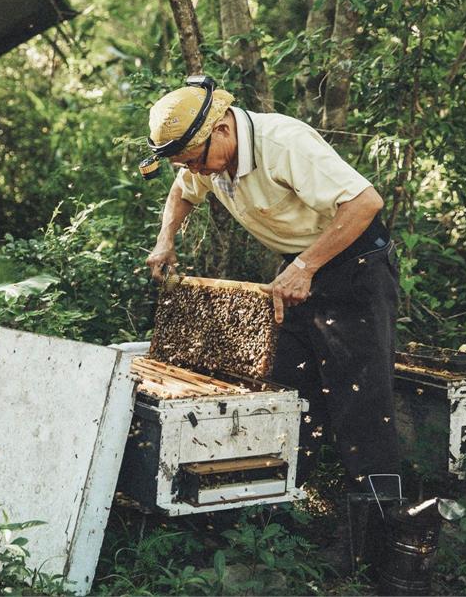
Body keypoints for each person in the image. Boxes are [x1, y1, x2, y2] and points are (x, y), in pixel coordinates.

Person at [144, 76, 401, 492]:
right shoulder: (206, 156)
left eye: (195, 161)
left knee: (362, 397)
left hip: (356, 265)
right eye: (186, 164)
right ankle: (290, 503)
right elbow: (182, 191)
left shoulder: (283, 142)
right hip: (300, 268)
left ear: (222, 130)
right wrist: (165, 240)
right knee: (287, 383)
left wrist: (305, 266)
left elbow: (365, 203)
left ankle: (383, 517)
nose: (194, 171)